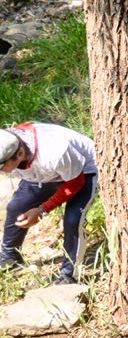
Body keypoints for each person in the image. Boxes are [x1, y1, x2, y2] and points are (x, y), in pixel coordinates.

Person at [0, 122, 97, 284]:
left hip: (82, 171)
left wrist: (42, 210)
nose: (1, 171)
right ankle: (9, 256)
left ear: (20, 153)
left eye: (2, 167)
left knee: (73, 221)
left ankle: (68, 274)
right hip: (44, 173)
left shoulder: (55, 151)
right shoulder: (8, 145)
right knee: (16, 207)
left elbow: (75, 183)